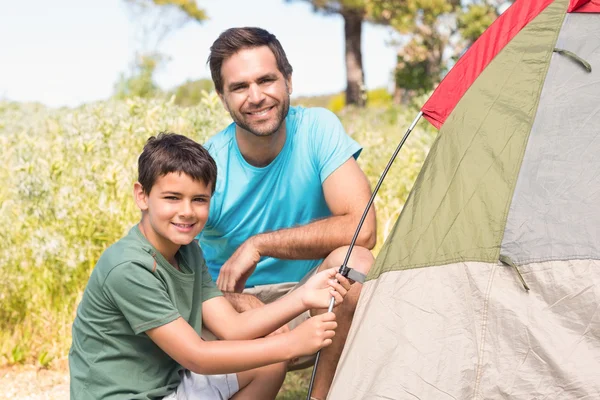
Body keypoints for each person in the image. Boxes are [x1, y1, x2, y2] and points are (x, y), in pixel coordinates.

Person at [68, 132, 352, 400]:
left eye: (199, 200)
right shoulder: (128, 267)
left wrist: (302, 297)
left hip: (169, 387)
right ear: (142, 195)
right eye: (172, 198)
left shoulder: (188, 251)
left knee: (269, 366)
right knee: (270, 356)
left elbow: (233, 328)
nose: (187, 211)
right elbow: (197, 357)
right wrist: (291, 344)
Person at [199, 27, 376, 399]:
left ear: (289, 81)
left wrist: (260, 244)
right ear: (222, 98)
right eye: (239, 87)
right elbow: (173, 269)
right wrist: (232, 300)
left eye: (266, 80)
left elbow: (363, 229)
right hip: (229, 305)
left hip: (312, 296)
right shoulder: (208, 162)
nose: (256, 97)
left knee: (356, 260)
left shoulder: (317, 128)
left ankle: (322, 395)